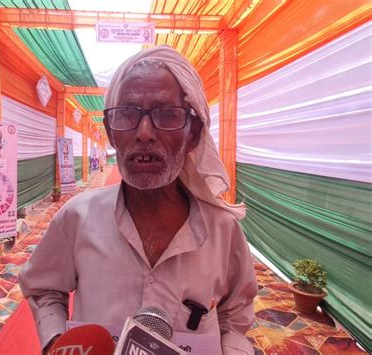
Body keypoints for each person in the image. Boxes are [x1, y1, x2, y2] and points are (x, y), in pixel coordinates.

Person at [19, 45, 257, 354]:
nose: (144, 133)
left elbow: (234, 314)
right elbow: (44, 287)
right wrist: (56, 342)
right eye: (128, 114)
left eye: (167, 114)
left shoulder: (223, 230)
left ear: (193, 133)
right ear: (110, 132)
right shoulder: (77, 218)